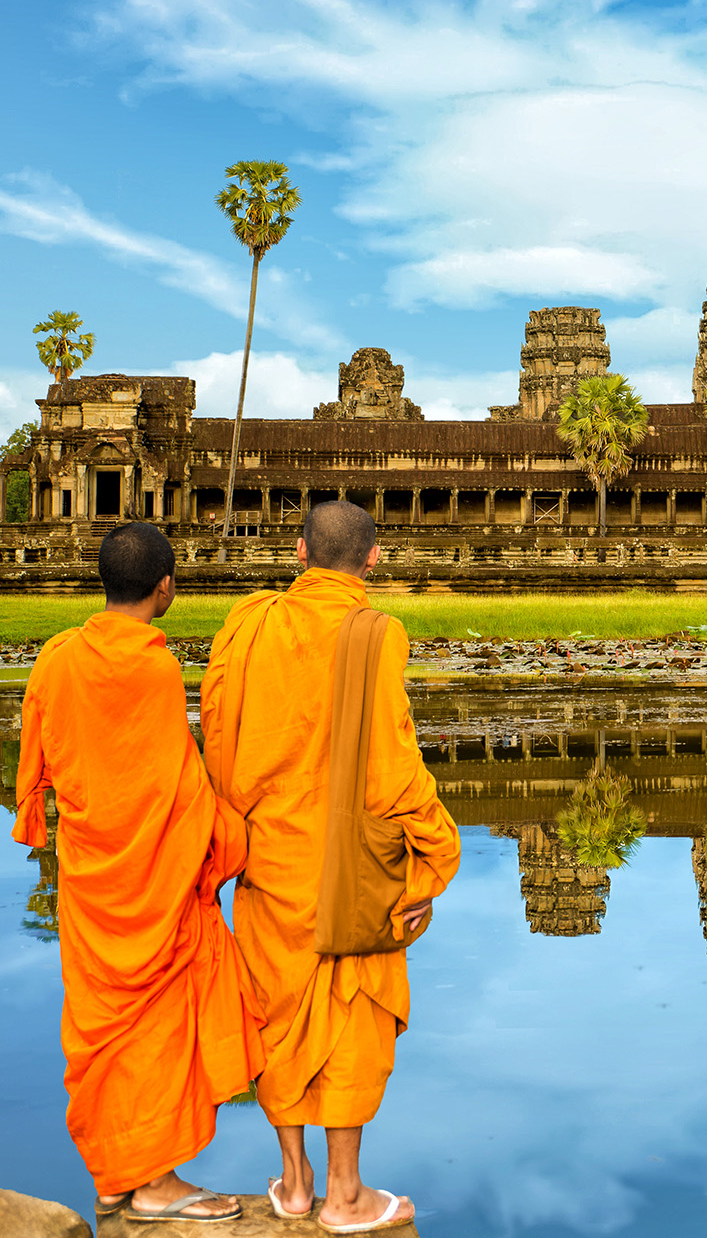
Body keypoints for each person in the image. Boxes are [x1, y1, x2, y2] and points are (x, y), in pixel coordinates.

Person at [201, 500, 461, 1234]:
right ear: (373, 559)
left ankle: (293, 1178)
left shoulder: (248, 625)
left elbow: (217, 736)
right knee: (350, 1011)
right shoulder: (375, 633)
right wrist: (437, 854)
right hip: (348, 869)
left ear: (298, 551)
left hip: (268, 855)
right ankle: (345, 1193)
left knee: (277, 1008)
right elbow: (392, 768)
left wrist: (237, 829)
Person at [11, 522, 264, 1224]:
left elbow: (42, 761)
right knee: (155, 1025)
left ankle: (120, 1176)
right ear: (166, 585)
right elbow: (175, 788)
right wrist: (235, 835)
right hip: (151, 883)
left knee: (105, 1028)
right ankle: (151, 1182)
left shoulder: (58, 658)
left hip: (92, 877)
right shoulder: (152, 669)